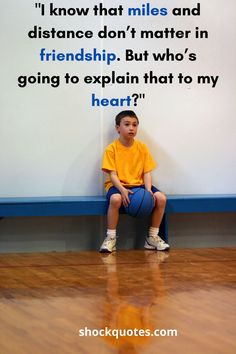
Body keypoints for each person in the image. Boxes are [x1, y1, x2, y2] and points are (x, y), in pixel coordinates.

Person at [100, 110, 169, 253]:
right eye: (127, 124)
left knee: (161, 198)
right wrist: (122, 190)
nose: (131, 128)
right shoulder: (111, 149)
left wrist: (148, 190)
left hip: (140, 185)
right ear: (118, 128)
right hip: (118, 185)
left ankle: (152, 237)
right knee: (115, 199)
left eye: (135, 125)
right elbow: (112, 174)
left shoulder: (142, 147)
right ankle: (110, 238)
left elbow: (147, 172)